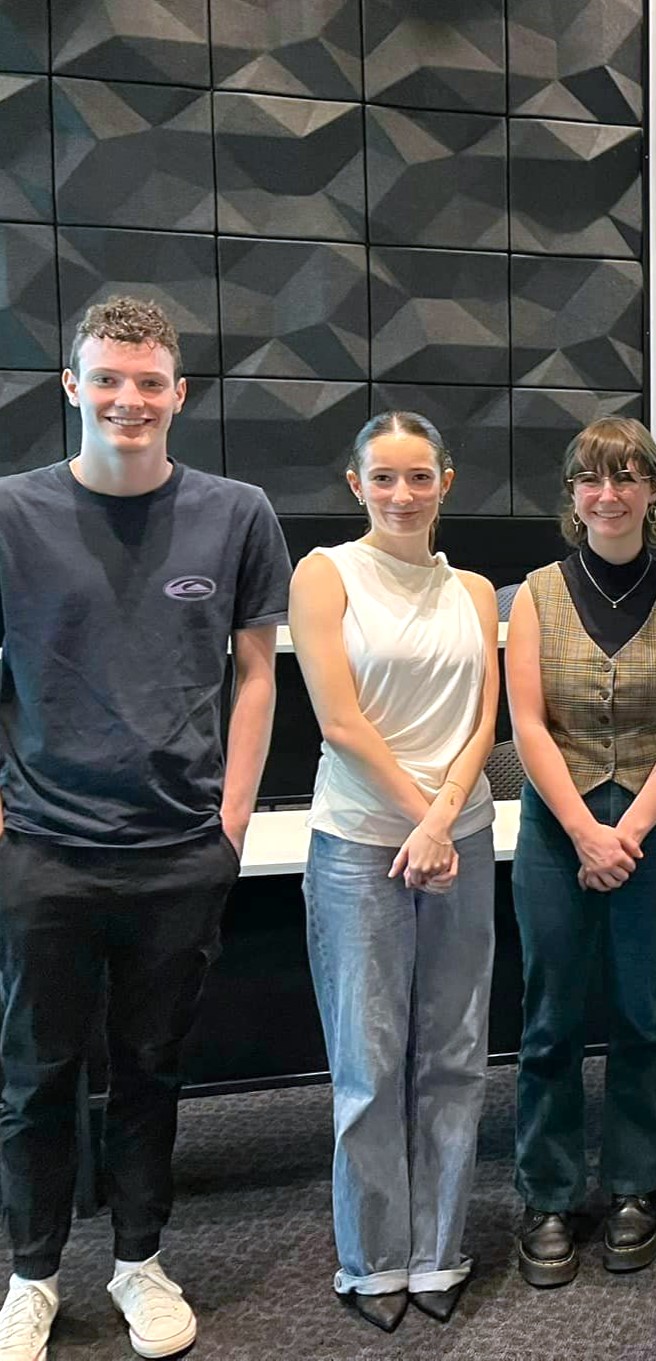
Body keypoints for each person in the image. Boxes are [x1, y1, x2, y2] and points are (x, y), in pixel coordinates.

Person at [0, 297, 290, 1358]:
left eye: (150, 380)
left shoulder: (237, 512)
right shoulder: (11, 513)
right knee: (32, 1076)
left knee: (151, 1067)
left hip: (179, 851)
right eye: (107, 378)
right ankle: (29, 1276)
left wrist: (231, 818)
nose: (129, 398)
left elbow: (257, 673)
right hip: (44, 849)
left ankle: (137, 1260)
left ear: (179, 392)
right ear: (71, 385)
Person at [289, 412, 499, 1330]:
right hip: (360, 844)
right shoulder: (325, 574)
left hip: (461, 835)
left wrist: (446, 819)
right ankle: (372, 1259)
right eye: (384, 478)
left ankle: (439, 1247)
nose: (402, 494)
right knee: (369, 1064)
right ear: (356, 483)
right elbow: (339, 721)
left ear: (446, 480)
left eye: (420, 477)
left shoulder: (478, 589)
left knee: (454, 1053)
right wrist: (424, 822)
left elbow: (482, 724)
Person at [507, 418, 656, 1280]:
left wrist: (629, 829)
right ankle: (548, 1194)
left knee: (643, 1015)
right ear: (574, 495)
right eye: (593, 479)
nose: (610, 493)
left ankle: (635, 1183)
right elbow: (525, 723)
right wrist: (587, 830)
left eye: (628, 477)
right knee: (550, 1019)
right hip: (558, 833)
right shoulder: (533, 594)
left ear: (653, 491)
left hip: (655, 833)